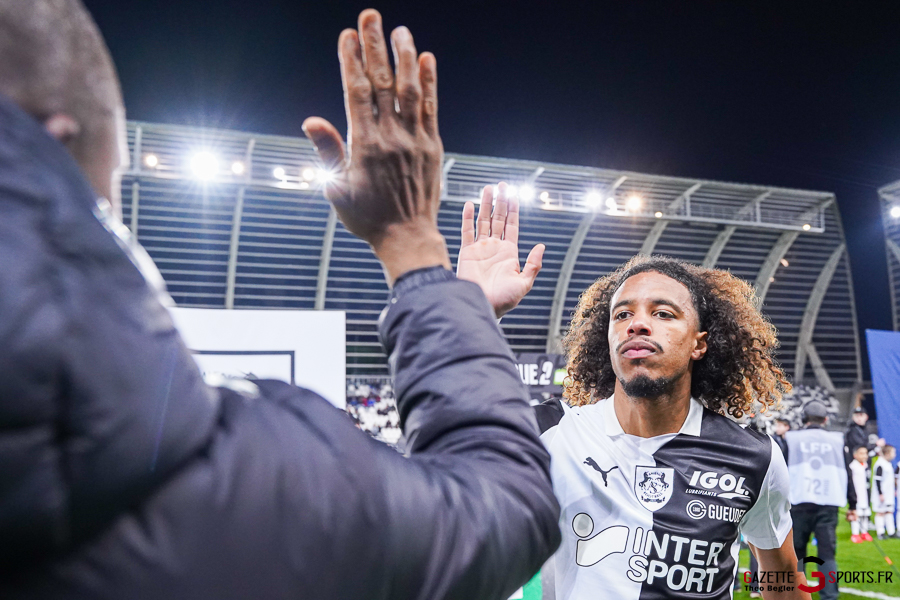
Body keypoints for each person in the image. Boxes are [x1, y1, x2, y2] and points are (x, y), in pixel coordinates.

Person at [0, 3, 560, 598]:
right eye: (107, 190)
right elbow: (500, 506)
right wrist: (413, 243)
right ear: (55, 148)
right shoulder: (231, 479)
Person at [464, 251, 810, 600]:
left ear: (699, 344)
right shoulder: (551, 432)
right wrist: (473, 314)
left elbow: (781, 574)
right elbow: (444, 448)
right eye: (623, 314)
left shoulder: (755, 458)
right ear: (610, 339)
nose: (637, 324)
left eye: (663, 313)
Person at [785, 401, 856, 600]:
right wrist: (853, 505)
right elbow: (847, 473)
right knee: (827, 554)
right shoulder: (837, 440)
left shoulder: (791, 439)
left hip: (799, 502)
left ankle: (797, 594)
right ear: (826, 419)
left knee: (797, 553)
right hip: (828, 503)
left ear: (803, 419)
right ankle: (830, 595)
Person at [871, 445, 897, 539]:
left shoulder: (888, 464)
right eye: (893, 452)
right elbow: (877, 480)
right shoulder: (880, 464)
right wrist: (880, 493)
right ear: (887, 453)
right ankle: (880, 532)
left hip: (888, 494)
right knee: (880, 512)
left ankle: (891, 532)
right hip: (881, 494)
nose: (894, 455)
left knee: (889, 511)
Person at [848, 446, 873, 543]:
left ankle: (864, 532)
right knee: (856, 514)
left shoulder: (865, 466)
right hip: (856, 494)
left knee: (865, 514)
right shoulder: (853, 466)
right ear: (855, 455)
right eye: (861, 453)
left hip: (864, 494)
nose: (864, 456)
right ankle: (855, 533)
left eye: (866, 453)